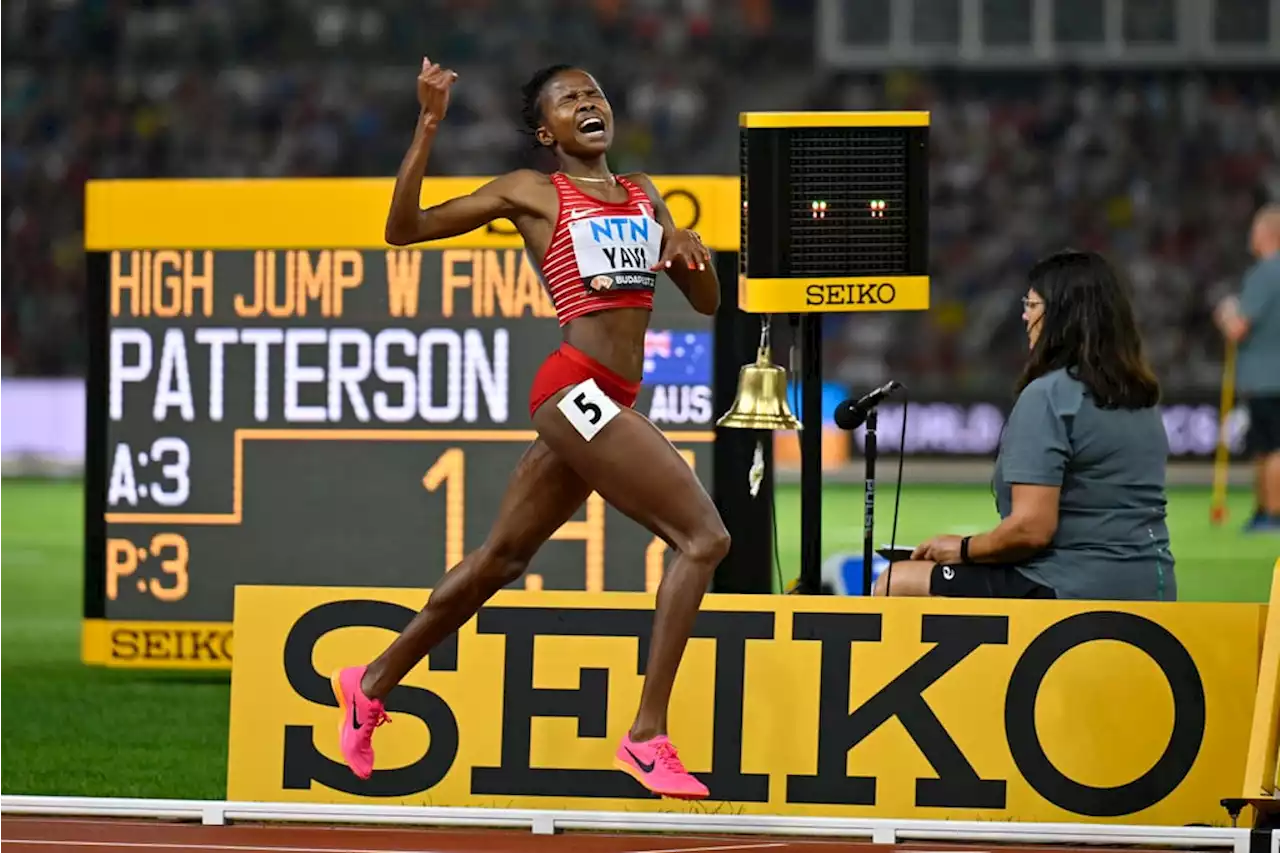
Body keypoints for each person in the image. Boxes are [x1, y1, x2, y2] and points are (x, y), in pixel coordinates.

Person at [328, 59, 728, 801]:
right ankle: (646, 737)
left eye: (595, 92)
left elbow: (704, 300)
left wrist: (690, 249)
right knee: (704, 537)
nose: (588, 102)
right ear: (547, 131)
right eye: (569, 98)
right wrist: (428, 122)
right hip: (573, 389)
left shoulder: (646, 197)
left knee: (500, 560)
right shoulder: (533, 191)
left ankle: (371, 679)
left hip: (608, 397)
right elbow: (402, 228)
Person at [874, 249, 1176, 601]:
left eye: (1032, 305)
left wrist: (964, 548)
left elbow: (1032, 529)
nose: (1023, 315)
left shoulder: (1049, 395)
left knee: (898, 580)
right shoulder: (1141, 398)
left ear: (1062, 317)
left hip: (1071, 585)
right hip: (1153, 586)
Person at [1214, 204, 1280, 533]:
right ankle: (1264, 510)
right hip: (1270, 376)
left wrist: (1225, 312)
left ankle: (1272, 513)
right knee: (1264, 446)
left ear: (1268, 234)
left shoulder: (1265, 273)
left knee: (1270, 447)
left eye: (1255, 229)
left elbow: (1239, 327)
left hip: (1266, 379)